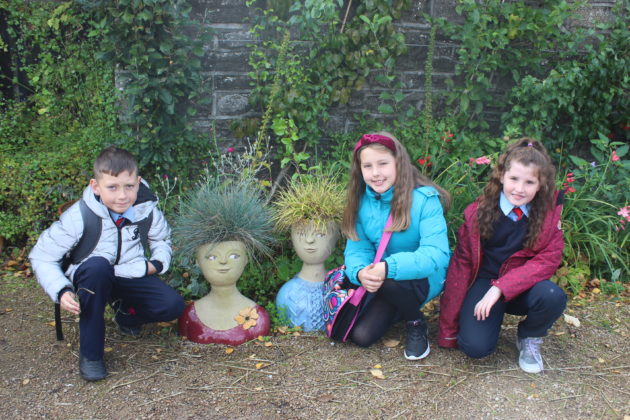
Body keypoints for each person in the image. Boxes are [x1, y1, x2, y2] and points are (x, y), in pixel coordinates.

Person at [29, 146, 185, 381]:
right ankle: (91, 355)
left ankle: (126, 313)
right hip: (91, 275)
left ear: (138, 182)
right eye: (112, 187)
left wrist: (156, 264)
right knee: (98, 268)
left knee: (172, 305)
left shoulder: (146, 209)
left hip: (130, 272)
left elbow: (161, 239)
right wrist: (61, 290)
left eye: (129, 186)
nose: (122, 196)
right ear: (96, 186)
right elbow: (42, 256)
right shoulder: (79, 216)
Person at [438, 138, 567, 374]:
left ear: (541, 185)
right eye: (514, 179)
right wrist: (448, 328)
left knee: (552, 296)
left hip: (522, 287)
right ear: (502, 176)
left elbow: (547, 260)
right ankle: (489, 322)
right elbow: (462, 266)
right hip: (484, 282)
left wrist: (501, 288)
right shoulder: (478, 213)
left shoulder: (547, 216)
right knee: (475, 347)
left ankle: (529, 336)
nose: (519, 189)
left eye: (529, 182)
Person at [342, 132, 451, 360]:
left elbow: (437, 254)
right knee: (361, 336)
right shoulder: (361, 203)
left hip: (424, 277)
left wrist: (388, 267)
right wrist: (360, 272)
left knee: (391, 281)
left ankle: (415, 321)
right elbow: (358, 249)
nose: (375, 173)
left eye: (383, 164)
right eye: (367, 166)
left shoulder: (424, 200)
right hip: (384, 279)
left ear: (398, 163)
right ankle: (399, 308)